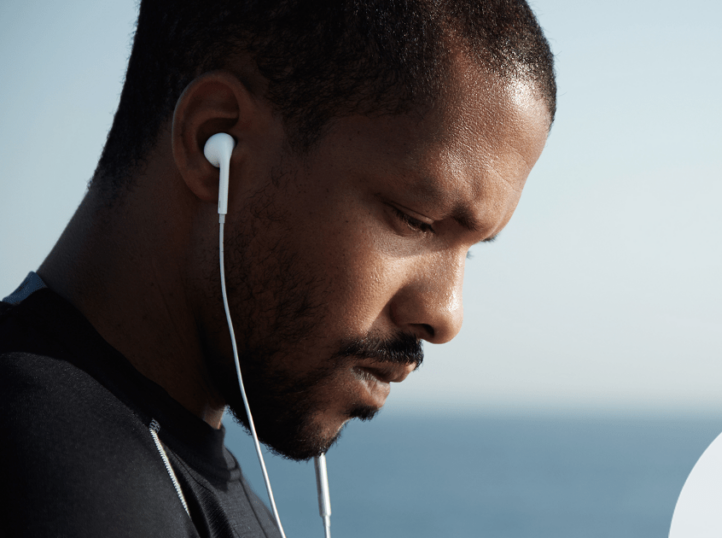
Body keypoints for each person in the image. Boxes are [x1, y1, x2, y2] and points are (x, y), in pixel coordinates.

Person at [0, 0, 555, 536]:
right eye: (415, 219)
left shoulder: (162, 467)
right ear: (212, 142)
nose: (446, 316)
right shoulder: (61, 489)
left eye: (473, 247)